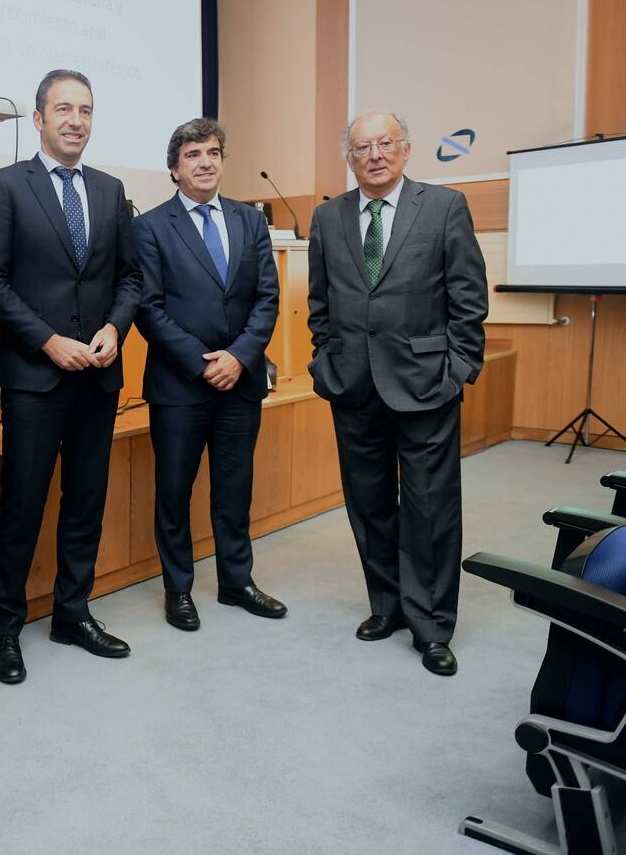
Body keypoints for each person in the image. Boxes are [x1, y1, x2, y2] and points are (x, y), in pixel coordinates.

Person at [306, 110, 488, 676]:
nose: (375, 155)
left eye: (386, 144)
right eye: (362, 147)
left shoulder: (443, 207)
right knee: (369, 505)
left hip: (426, 383)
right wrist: (324, 359)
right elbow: (320, 303)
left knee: (431, 508)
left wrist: (458, 369)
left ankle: (431, 623)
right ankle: (386, 605)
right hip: (353, 385)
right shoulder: (327, 217)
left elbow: (468, 297)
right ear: (350, 158)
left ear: (406, 150)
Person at [0, 69, 142, 685]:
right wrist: (48, 341)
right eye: (64, 109)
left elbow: (130, 277)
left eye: (87, 110)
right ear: (40, 119)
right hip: (34, 377)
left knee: (86, 502)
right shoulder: (5, 186)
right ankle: (5, 630)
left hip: (98, 375)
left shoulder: (110, 189)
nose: (76, 120)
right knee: (22, 504)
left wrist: (115, 329)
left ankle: (73, 612)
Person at [133, 118, 287, 631]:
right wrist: (204, 362)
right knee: (174, 492)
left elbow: (267, 298)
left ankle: (236, 581)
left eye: (213, 152)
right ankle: (178, 588)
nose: (205, 161)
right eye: (193, 154)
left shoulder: (249, 220)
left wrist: (239, 357)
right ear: (174, 168)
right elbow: (149, 310)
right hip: (180, 385)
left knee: (234, 486)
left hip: (239, 381)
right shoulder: (150, 227)